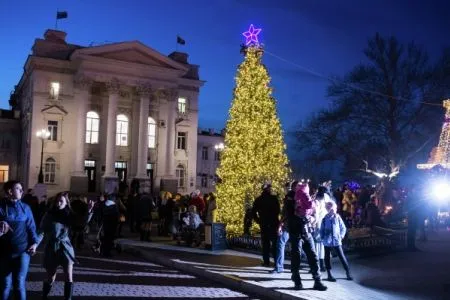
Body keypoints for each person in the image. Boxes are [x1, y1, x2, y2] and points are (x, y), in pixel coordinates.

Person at [38, 192, 94, 299]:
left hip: (65, 248)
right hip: (52, 248)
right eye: (57, 201)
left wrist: (89, 210)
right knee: (51, 277)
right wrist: (35, 244)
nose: (59, 203)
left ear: (66, 203)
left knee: (69, 276)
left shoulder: (69, 215)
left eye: (61, 201)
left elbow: (81, 223)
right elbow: (41, 230)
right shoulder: (49, 214)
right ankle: (44, 295)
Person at [0, 180, 39, 300]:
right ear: (10, 191)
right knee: (5, 284)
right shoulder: (1, 207)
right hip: (4, 252)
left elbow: (31, 227)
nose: (22, 191)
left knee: (19, 283)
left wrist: (35, 243)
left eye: (21, 188)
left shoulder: (26, 208)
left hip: (23, 251)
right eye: (18, 188)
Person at [288, 182, 327, 291]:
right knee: (296, 256)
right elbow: (288, 215)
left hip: (307, 232)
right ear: (294, 188)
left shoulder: (307, 198)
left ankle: (318, 281)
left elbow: (314, 213)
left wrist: (312, 219)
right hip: (296, 232)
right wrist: (297, 214)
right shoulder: (289, 198)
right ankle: (297, 280)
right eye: (298, 187)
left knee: (313, 256)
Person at [320, 200, 353, 281]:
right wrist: (323, 238)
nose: (334, 210)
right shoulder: (324, 219)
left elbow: (343, 228)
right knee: (327, 257)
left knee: (342, 256)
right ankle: (329, 274)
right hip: (327, 242)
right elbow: (321, 230)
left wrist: (341, 236)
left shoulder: (337, 217)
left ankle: (348, 272)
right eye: (332, 209)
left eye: (334, 209)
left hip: (336, 241)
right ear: (328, 209)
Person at [252, 183, 280, 267]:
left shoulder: (258, 199)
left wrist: (258, 221)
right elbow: (278, 211)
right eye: (269, 188)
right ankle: (276, 262)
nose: (270, 189)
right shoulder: (274, 198)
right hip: (273, 224)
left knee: (265, 244)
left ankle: (266, 262)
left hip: (264, 224)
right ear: (267, 189)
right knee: (275, 244)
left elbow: (253, 212)